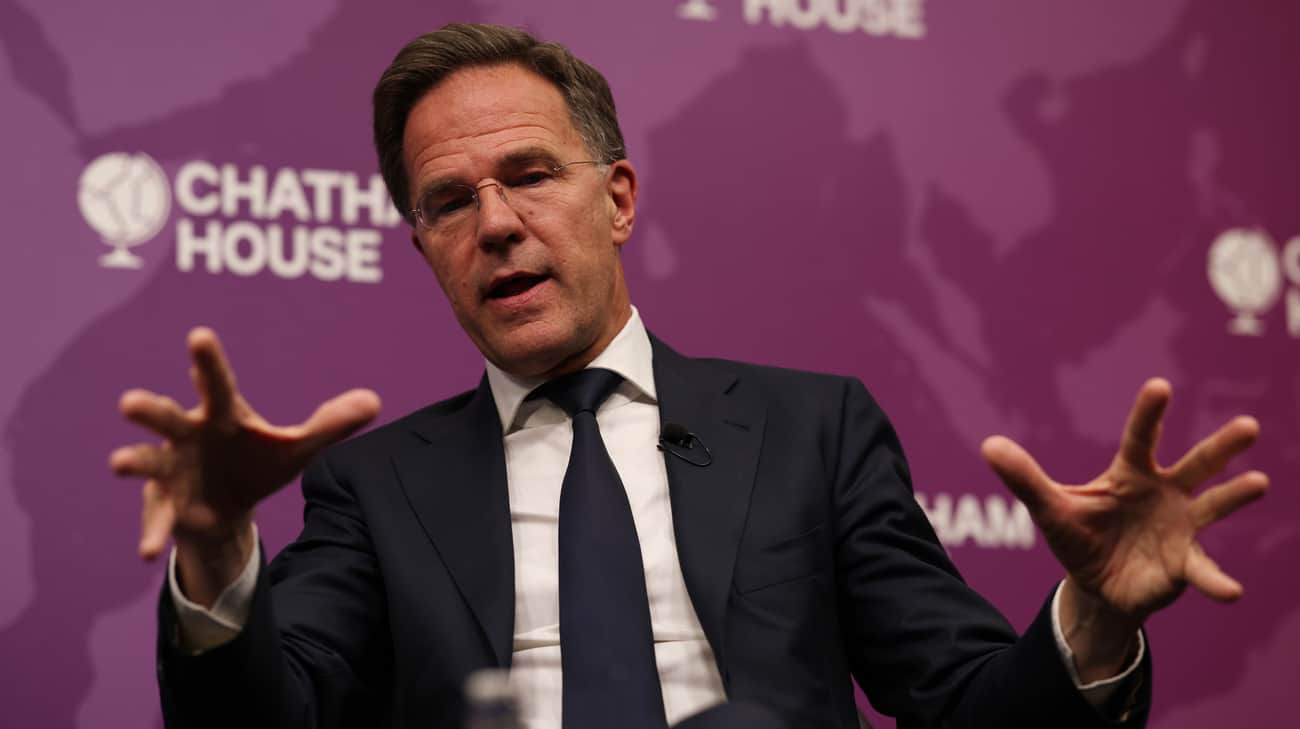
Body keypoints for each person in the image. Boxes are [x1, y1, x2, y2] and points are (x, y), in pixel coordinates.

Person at [108, 23, 1269, 729]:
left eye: (529, 176)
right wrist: (215, 555)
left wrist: (1093, 617)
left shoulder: (811, 431)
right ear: (422, 250)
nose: (495, 224)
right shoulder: (375, 489)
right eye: (450, 203)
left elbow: (968, 708)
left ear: (616, 199)